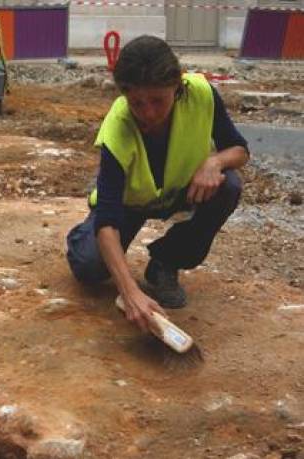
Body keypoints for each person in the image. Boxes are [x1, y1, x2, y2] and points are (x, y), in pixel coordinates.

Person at [66, 35, 249, 332]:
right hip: (129, 204)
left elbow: (239, 150)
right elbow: (109, 219)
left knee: (229, 185)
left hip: (180, 191)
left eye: (157, 101)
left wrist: (215, 162)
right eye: (137, 102)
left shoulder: (202, 95)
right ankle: (82, 235)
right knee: (89, 266)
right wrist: (129, 291)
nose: (148, 112)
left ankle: (165, 261)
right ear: (124, 94)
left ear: (177, 85)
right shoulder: (118, 126)